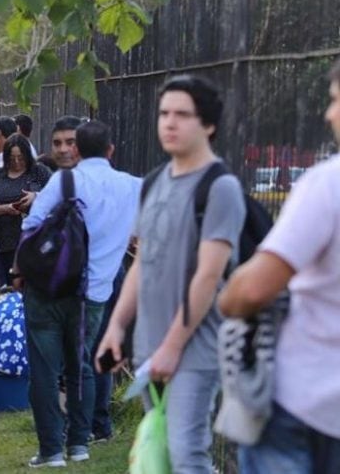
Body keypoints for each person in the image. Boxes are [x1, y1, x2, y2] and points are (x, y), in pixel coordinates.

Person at [97, 75, 246, 474]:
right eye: (164, 114)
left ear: (208, 125)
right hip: (149, 346)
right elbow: (142, 265)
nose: (170, 123)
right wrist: (116, 327)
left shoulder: (221, 187)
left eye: (182, 115)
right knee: (160, 451)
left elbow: (208, 277)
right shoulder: (153, 183)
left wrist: (174, 346)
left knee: (187, 454)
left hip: (194, 349)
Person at [218, 61, 340, 474]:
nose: (328, 114)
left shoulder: (328, 184)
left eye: (336, 101)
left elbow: (253, 290)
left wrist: (228, 297)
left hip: (305, 402)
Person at [18, 120, 141, 467]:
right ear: (111, 150)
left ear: (76, 150)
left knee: (44, 368)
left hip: (49, 289)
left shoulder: (65, 180)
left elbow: (31, 225)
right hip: (95, 293)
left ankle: (51, 451)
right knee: (81, 366)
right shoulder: (132, 187)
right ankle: (80, 444)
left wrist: (22, 270)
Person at [0, 133, 51, 286]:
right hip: (4, 239)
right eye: (12, 158)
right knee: (7, 284)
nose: (17, 162)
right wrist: (6, 208)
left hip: (34, 240)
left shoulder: (39, 172)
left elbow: (56, 197)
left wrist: (36, 197)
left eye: (21, 157)